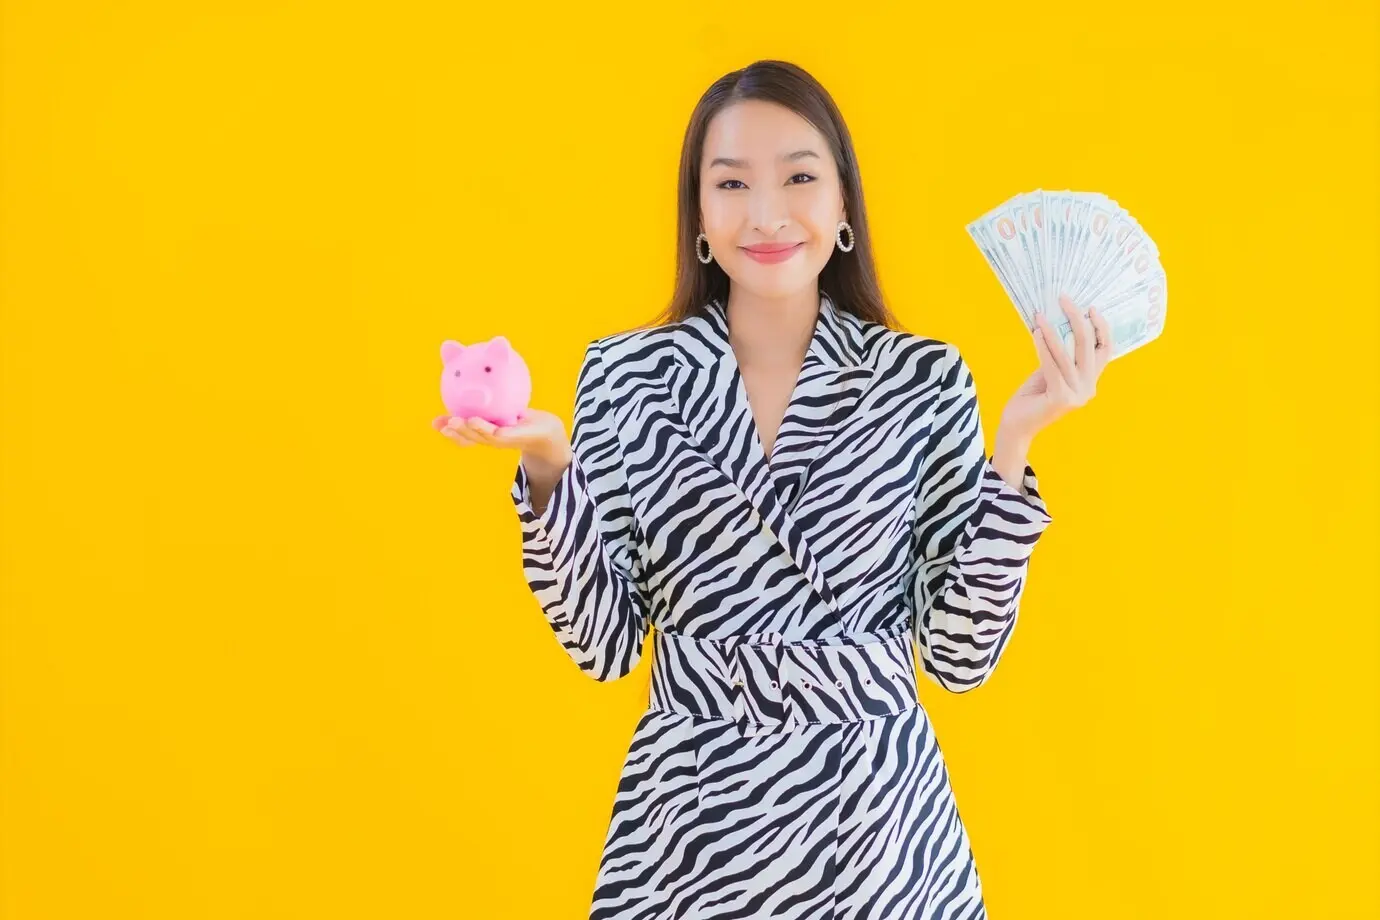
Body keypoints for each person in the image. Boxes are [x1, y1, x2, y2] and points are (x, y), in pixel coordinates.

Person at [440, 59, 1110, 920]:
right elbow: (602, 645)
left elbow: (959, 659)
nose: (765, 214)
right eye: (731, 183)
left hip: (879, 834)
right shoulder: (626, 376)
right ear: (699, 215)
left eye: (799, 176)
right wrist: (546, 466)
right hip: (689, 831)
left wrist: (1014, 442)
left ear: (842, 208)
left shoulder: (922, 379)